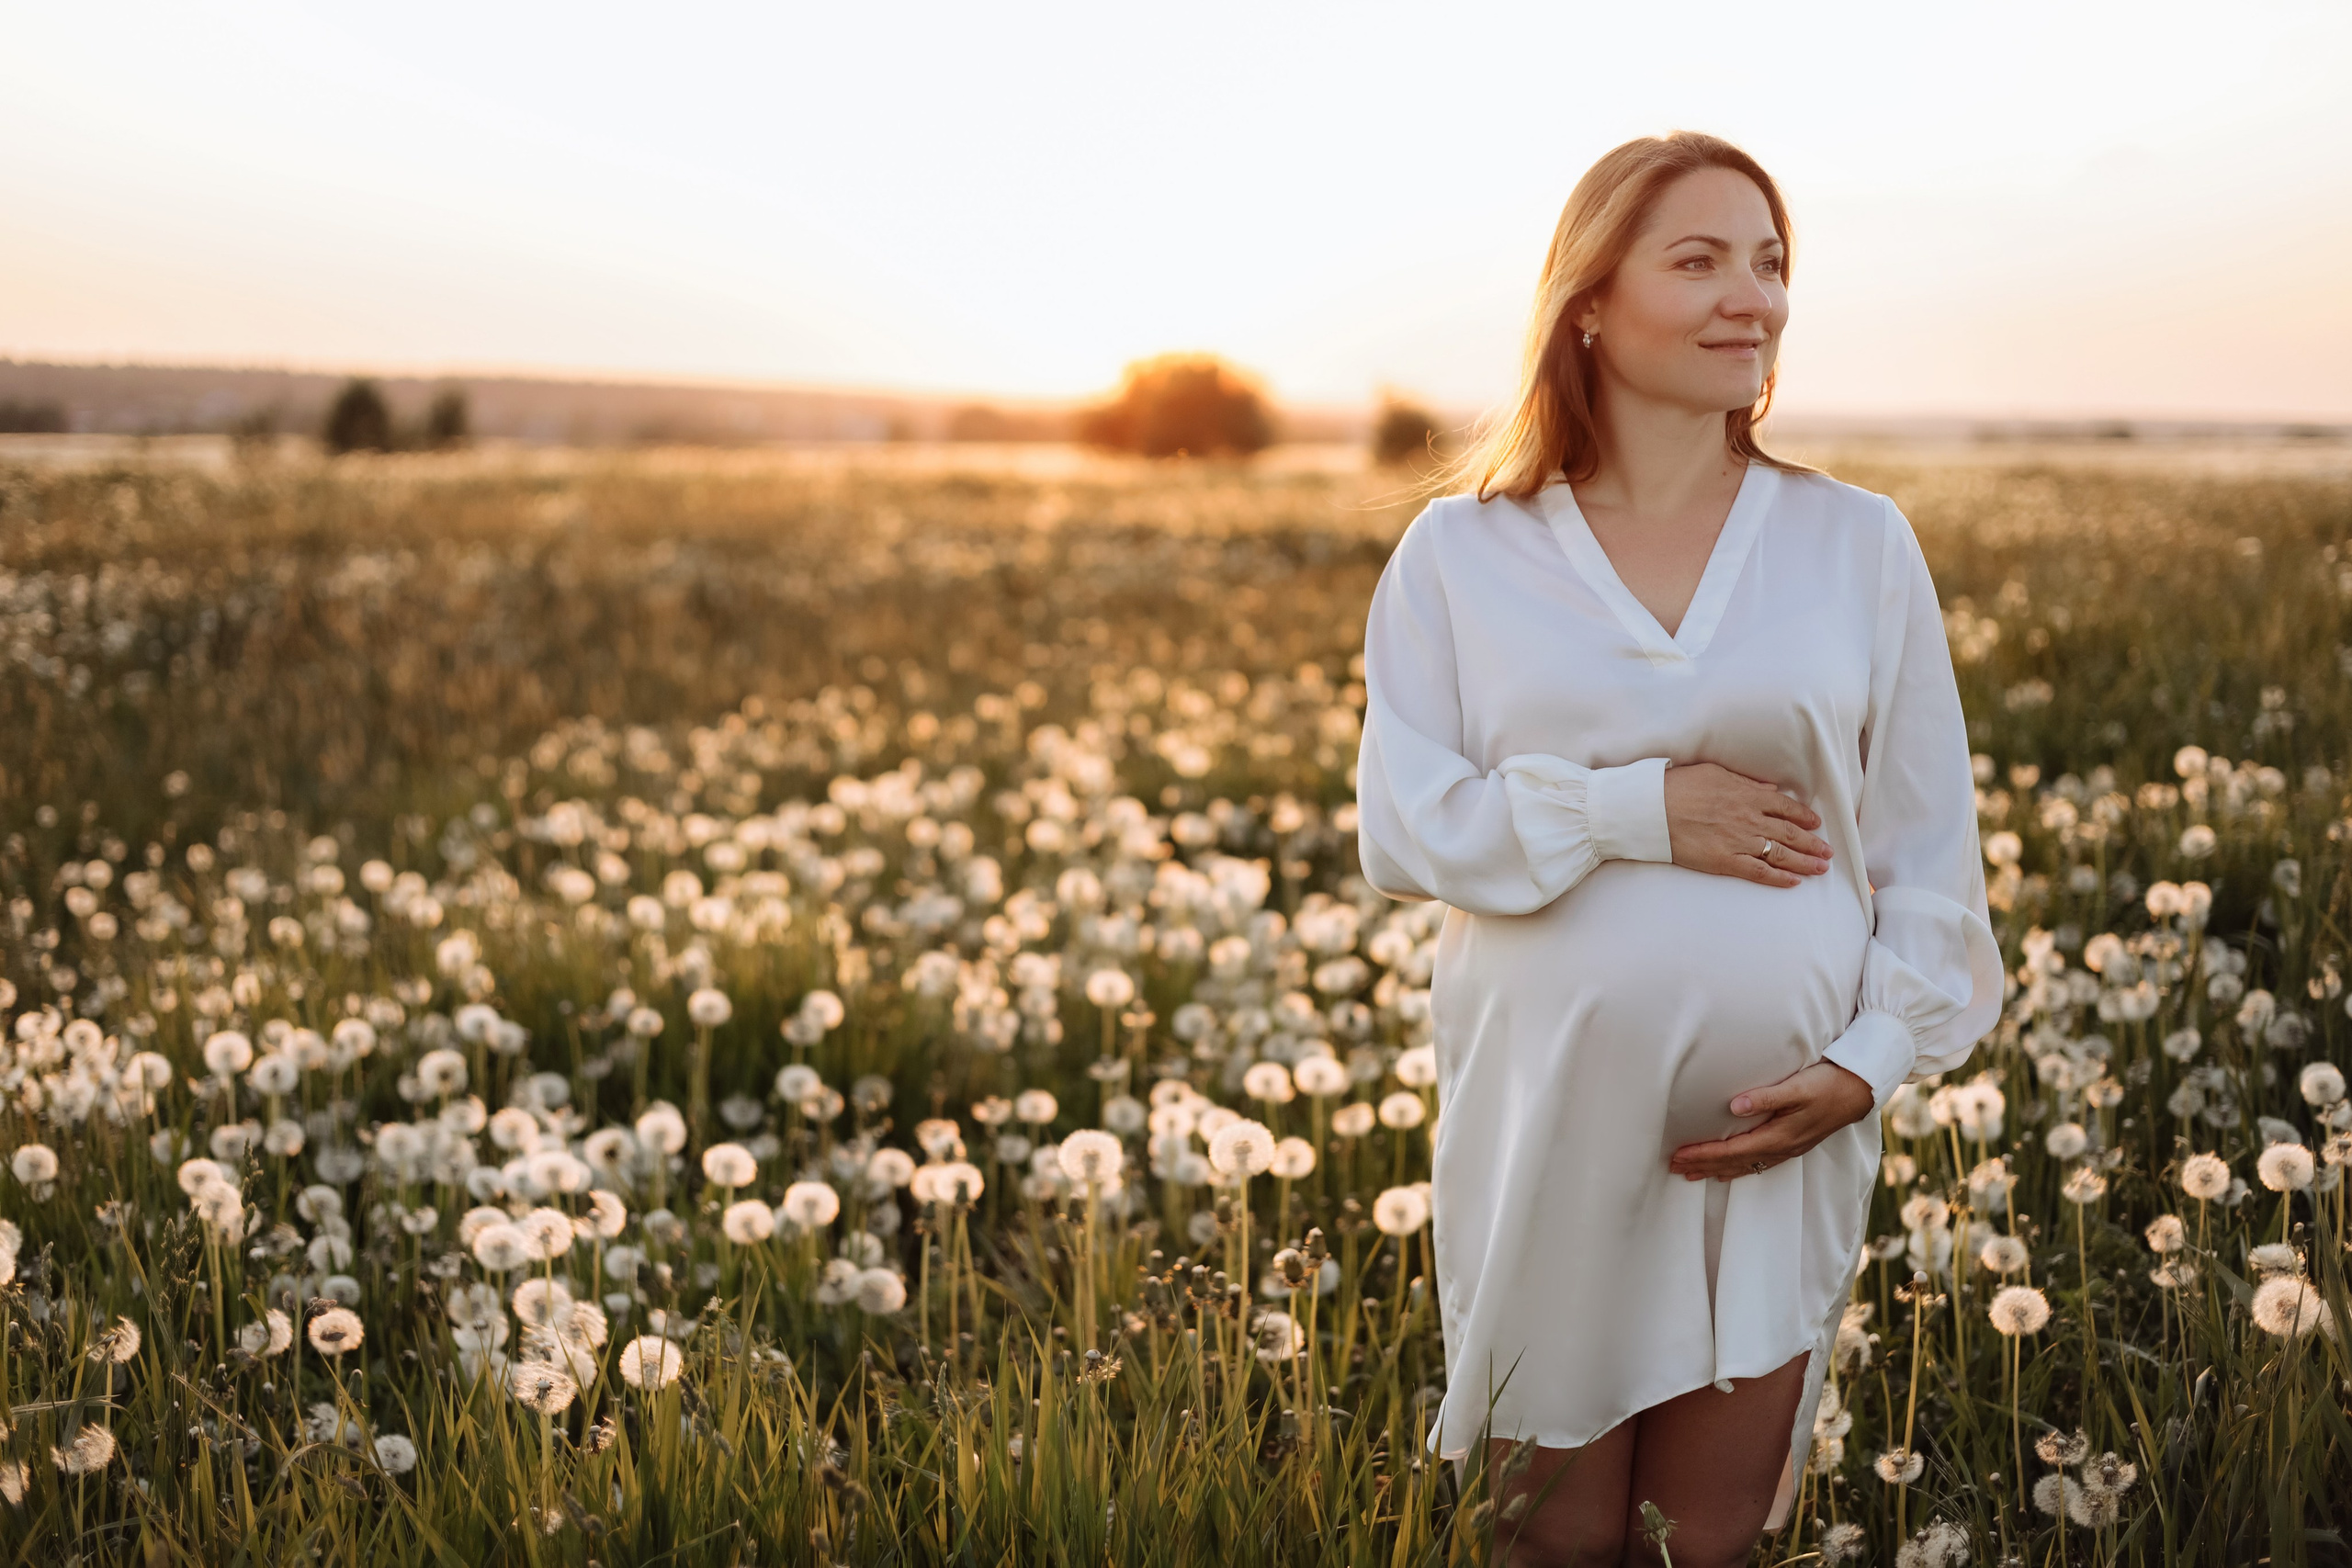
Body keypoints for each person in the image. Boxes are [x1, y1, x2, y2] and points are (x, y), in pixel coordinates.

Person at [1351, 130, 2003, 1567]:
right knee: (1553, 1546)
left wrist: (1867, 1066)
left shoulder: (1857, 543)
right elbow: (1406, 826)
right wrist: (1639, 808)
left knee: (1703, 1551)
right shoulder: (1461, 556)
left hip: (1770, 1138)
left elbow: (1928, 854)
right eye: (1699, 260)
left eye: (1769, 265)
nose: (1749, 300)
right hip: (1547, 1129)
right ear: (1589, 299)